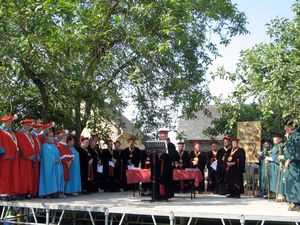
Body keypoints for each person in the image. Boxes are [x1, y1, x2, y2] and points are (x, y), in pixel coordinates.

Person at [0, 115, 21, 200]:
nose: (9, 124)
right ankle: (2, 193)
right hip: (5, 156)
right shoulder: (1, 131)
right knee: (4, 175)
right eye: (8, 122)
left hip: (13, 156)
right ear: (3, 122)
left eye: (10, 122)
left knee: (12, 174)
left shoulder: (10, 131)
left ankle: (9, 192)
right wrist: (4, 153)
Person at [39, 131, 64, 198]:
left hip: (56, 165)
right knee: (49, 176)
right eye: (50, 136)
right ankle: (47, 192)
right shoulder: (44, 146)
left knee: (58, 174)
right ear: (46, 137)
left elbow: (58, 154)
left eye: (52, 136)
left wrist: (58, 159)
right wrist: (53, 160)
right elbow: (46, 156)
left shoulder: (54, 146)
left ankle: (56, 191)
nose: (52, 137)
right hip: (48, 166)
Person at [150, 130, 174, 201]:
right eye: (161, 135)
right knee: (157, 180)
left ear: (167, 136)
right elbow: (151, 154)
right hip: (157, 166)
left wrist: (163, 155)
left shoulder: (171, 145)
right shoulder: (156, 144)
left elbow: (172, 156)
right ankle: (156, 195)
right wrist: (157, 155)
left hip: (166, 166)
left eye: (164, 135)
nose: (162, 136)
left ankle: (165, 195)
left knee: (166, 180)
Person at [16, 119, 37, 198]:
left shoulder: (30, 134)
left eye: (29, 125)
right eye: (27, 125)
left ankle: (26, 191)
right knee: (23, 175)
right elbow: (21, 146)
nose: (29, 126)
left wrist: (33, 155)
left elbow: (33, 145)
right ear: (23, 125)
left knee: (28, 176)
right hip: (23, 158)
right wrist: (27, 156)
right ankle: (21, 192)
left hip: (30, 158)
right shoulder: (20, 133)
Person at [282, 119, 300, 211]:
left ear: (290, 127)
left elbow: (297, 150)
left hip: (296, 165)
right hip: (292, 164)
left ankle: (297, 204)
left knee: (296, 183)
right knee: (291, 183)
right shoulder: (292, 136)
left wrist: (289, 159)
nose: (285, 128)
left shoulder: (296, 136)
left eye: (286, 126)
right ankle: (293, 202)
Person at [265, 133, 284, 200]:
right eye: (273, 137)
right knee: (273, 180)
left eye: (275, 137)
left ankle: (280, 194)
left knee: (278, 180)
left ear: (280, 139)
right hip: (273, 166)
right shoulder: (275, 146)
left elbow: (280, 155)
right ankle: (274, 193)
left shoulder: (281, 145)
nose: (274, 139)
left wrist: (271, 158)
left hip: (277, 165)